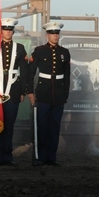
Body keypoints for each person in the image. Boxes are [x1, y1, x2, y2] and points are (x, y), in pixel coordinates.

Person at [28, 21, 70, 166]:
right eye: (52, 33)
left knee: (54, 127)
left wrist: (65, 95)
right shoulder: (39, 51)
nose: (55, 36)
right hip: (43, 93)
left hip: (58, 94)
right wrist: (30, 92)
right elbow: (31, 72)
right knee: (42, 126)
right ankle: (40, 157)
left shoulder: (64, 52)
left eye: (57, 33)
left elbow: (67, 75)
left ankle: (51, 157)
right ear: (47, 35)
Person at [0, 18, 29, 167]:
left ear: (13, 31)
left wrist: (23, 91)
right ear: (2, 31)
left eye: (10, 29)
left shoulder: (19, 48)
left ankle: (7, 155)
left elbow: (24, 71)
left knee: (9, 125)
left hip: (13, 89)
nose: (7, 32)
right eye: (5, 29)